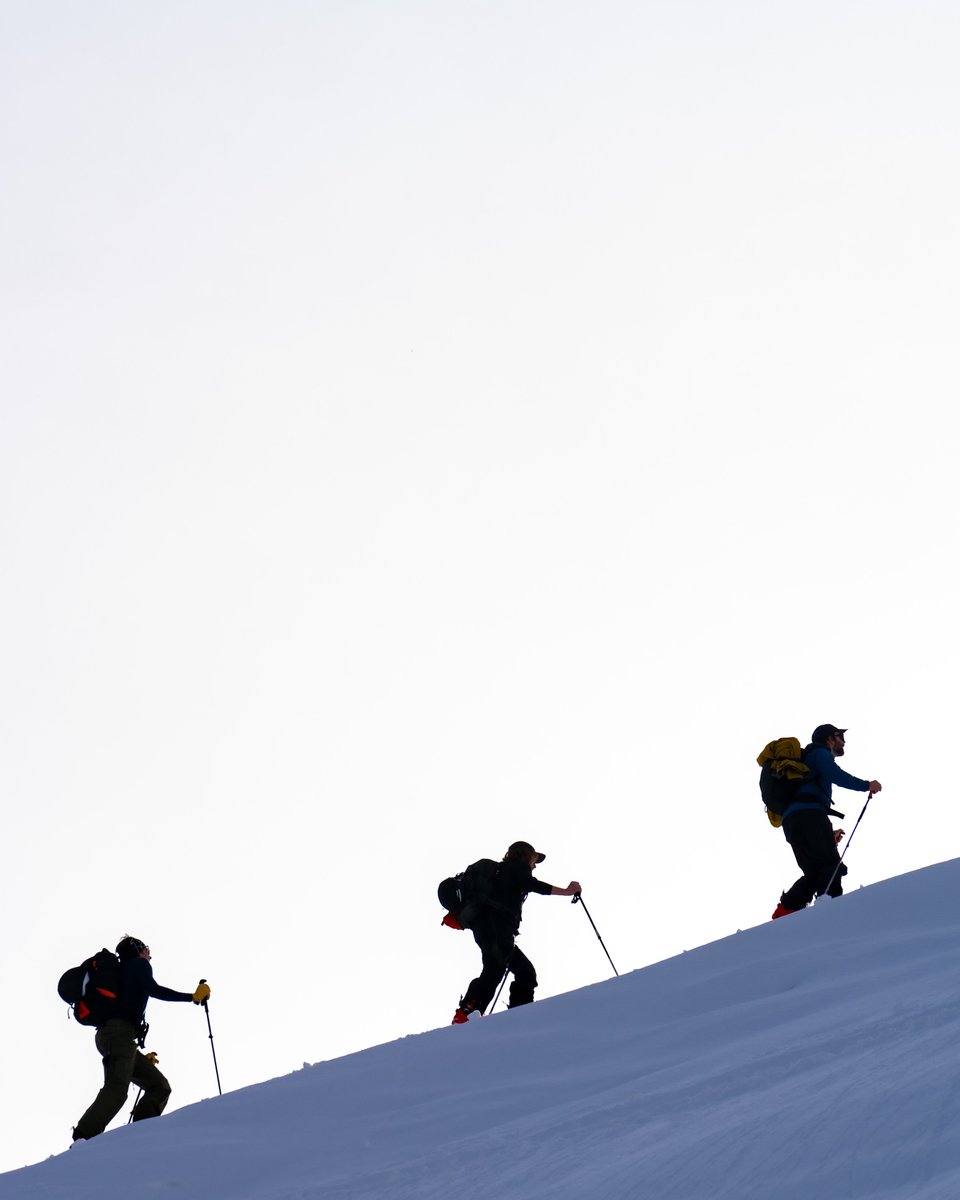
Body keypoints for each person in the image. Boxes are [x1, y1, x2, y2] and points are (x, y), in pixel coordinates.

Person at [71, 936, 211, 1143]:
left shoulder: (122, 971)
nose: (149, 954)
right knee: (117, 1089)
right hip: (119, 1034)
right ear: (137, 949)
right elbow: (153, 990)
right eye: (146, 949)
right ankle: (83, 1136)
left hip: (114, 1036)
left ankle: (139, 1134)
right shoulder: (138, 964)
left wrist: (136, 1058)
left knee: (159, 1086)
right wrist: (191, 997)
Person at [451, 841, 581, 1025]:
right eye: (534, 859)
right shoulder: (517, 867)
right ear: (525, 855)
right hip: (496, 929)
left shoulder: (502, 872)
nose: (535, 866)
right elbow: (532, 884)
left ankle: (469, 1014)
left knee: (502, 971)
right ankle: (516, 1017)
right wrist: (567, 891)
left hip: (488, 929)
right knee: (517, 972)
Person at [772, 725, 881, 919]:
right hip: (810, 815)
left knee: (814, 871)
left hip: (792, 821)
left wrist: (826, 834)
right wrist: (866, 785)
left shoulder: (806, 761)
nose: (843, 741)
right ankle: (831, 915)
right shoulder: (820, 753)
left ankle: (785, 910)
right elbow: (836, 775)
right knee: (830, 866)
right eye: (840, 736)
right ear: (829, 739)